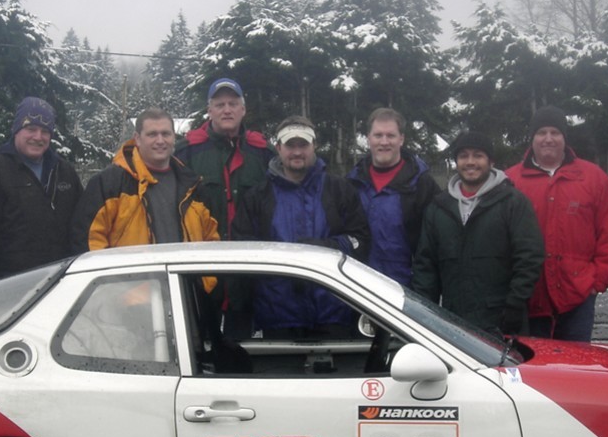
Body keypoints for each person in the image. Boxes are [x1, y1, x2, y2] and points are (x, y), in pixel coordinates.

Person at [231, 116, 370, 338]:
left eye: (303, 144)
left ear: (314, 145)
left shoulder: (339, 190)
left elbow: (360, 241)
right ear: (278, 148)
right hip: (278, 318)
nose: (297, 152)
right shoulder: (258, 196)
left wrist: (323, 248)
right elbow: (243, 250)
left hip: (334, 313)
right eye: (290, 145)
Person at [505, 106, 608, 341]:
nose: (548, 139)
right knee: (531, 362)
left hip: (577, 296)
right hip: (529, 297)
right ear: (532, 138)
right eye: (541, 132)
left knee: (575, 362)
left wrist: (597, 281)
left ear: (564, 137)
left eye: (555, 132)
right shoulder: (511, 181)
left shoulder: (593, 178)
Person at [412, 130, 544, 335]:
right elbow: (425, 265)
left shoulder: (513, 203)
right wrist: (426, 314)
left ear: (491, 162)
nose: (470, 162)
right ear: (456, 161)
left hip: (503, 321)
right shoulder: (438, 208)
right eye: (463, 156)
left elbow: (529, 257)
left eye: (478, 155)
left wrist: (515, 305)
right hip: (453, 321)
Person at [0, 96, 84, 286]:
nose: (38, 137)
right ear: (16, 130)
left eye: (45, 131)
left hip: (59, 284)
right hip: (9, 285)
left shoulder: (64, 172)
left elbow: (81, 227)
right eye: (31, 129)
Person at [72, 107, 219, 250]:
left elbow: (211, 242)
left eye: (166, 134)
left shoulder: (192, 186)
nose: (160, 140)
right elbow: (89, 240)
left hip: (184, 267)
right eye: (152, 134)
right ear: (137, 138)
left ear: (174, 137)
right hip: (132, 268)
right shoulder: (109, 184)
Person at [347, 107, 441, 287]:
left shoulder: (422, 185)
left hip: (407, 290)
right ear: (368, 138)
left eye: (390, 135)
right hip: (359, 288)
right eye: (378, 135)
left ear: (401, 139)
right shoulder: (351, 184)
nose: (384, 142)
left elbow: (434, 245)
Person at [174, 78, 273, 239]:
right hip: (203, 249)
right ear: (210, 111)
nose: (227, 110)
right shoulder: (186, 152)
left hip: (253, 250)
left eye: (233, 104)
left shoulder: (263, 153)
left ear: (243, 110)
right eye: (220, 105)